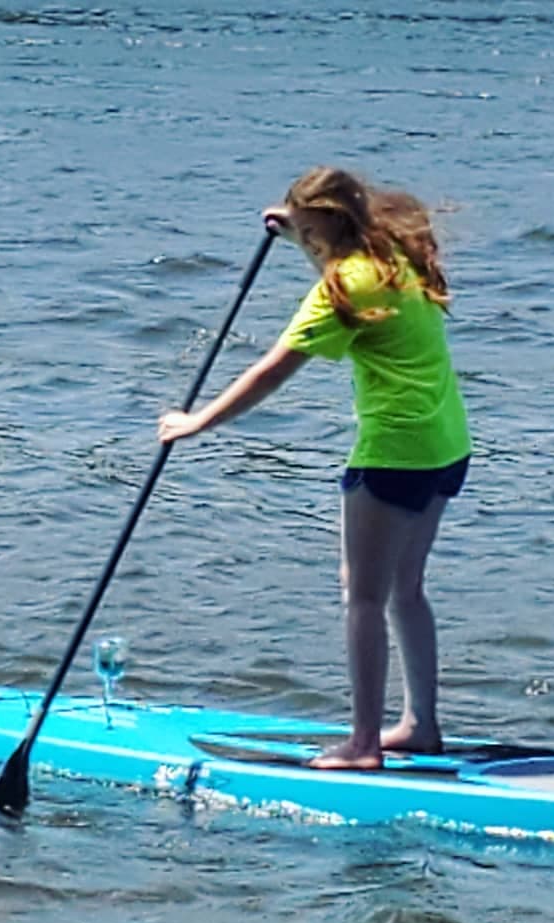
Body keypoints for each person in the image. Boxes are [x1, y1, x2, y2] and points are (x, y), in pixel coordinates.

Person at [158, 166, 471, 769]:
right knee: (406, 590)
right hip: (447, 444)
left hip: (394, 453)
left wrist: (198, 422)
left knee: (362, 595)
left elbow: (270, 371)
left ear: (326, 228)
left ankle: (362, 745)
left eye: (307, 233)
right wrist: (300, 237)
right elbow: (345, 281)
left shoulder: (342, 289)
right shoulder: (397, 257)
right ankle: (421, 724)